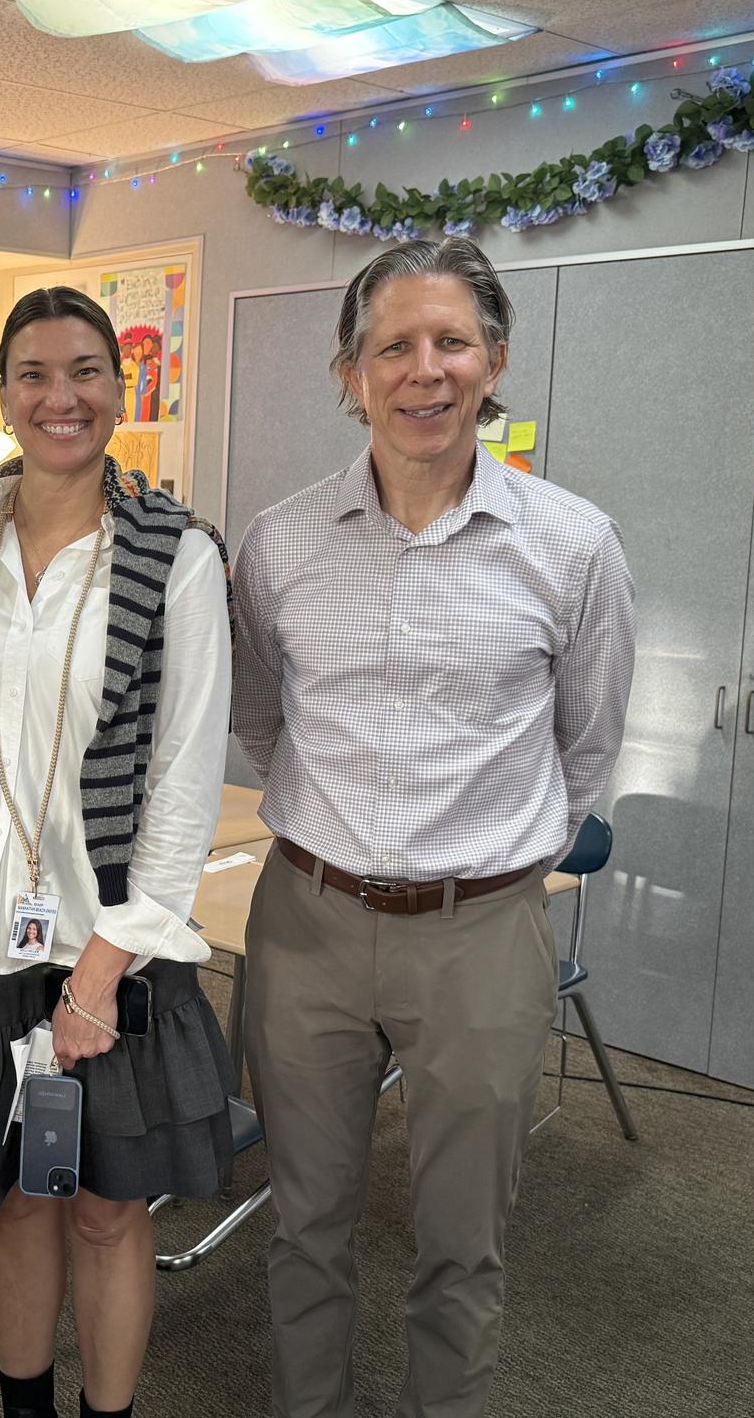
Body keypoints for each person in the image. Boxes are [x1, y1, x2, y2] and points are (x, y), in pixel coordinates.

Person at [232, 236, 636, 1418]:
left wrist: (488, 857)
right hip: (305, 922)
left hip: (482, 933)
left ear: (494, 360)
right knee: (304, 1222)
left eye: (451, 342)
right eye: (393, 346)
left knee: (464, 1241)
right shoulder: (282, 543)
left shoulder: (572, 544)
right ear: (349, 374)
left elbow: (589, 746)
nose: (425, 370)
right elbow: (266, 721)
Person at [0, 287, 234, 1418]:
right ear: (4, 395)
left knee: (105, 1207)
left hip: (109, 945)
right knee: (10, 1203)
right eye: (32, 374)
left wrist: (100, 971)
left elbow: (184, 778)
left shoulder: (175, 557)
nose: (60, 396)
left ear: (121, 392)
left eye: (85, 371)